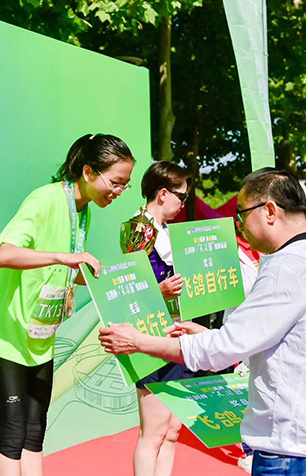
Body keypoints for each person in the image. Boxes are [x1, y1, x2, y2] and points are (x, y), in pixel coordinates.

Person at [99, 167, 306, 476]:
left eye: (242, 214)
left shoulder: (288, 268)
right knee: (157, 432)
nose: (240, 225)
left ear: (270, 211)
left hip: (293, 449)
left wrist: (138, 341)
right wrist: (204, 333)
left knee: (167, 432)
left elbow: (225, 348)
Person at [0, 134, 134, 476]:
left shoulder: (84, 212)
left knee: (35, 431)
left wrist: (117, 280)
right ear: (88, 172)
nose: (118, 191)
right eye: (115, 182)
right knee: (12, 433)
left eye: (125, 185)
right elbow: (6, 254)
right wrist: (64, 256)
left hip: (40, 336)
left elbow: (67, 270)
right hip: (5, 333)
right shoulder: (45, 198)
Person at [129, 161, 193, 476]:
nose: (184, 204)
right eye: (182, 196)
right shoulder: (138, 229)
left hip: (177, 333)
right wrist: (160, 290)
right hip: (150, 336)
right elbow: (128, 288)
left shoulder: (170, 232)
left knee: (171, 431)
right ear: (164, 194)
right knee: (153, 431)